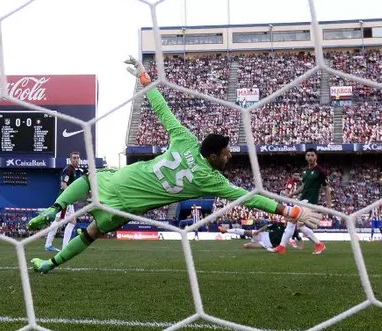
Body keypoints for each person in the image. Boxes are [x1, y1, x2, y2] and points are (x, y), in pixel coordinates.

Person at [27, 56, 320, 274]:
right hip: (130, 205)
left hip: (125, 178)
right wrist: (288, 210)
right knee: (90, 233)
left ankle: (54, 210)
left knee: (92, 178)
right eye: (227, 154)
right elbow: (250, 197)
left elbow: (161, 108)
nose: (230, 157)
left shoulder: (184, 138)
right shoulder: (210, 180)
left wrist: (144, 77)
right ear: (213, 156)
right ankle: (49, 265)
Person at [271, 149, 331, 255]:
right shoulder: (305, 171)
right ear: (305, 157)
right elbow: (303, 187)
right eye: (308, 155)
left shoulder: (321, 171)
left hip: (310, 201)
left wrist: (329, 206)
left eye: (312, 155)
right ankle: (319, 244)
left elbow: (326, 189)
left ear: (316, 157)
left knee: (292, 220)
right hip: (302, 200)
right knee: (300, 225)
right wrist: (292, 194)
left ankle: (282, 246)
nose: (310, 157)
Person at [44, 152, 86, 251]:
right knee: (58, 220)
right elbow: (63, 184)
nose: (76, 160)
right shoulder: (69, 169)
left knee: (72, 221)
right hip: (65, 199)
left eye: (78, 158)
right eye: (74, 158)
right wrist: (70, 198)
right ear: (70, 159)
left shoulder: (74, 170)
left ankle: (64, 246)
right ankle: (48, 244)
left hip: (68, 199)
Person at [219, 223, 298, 250]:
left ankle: (251, 242)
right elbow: (267, 227)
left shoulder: (291, 231)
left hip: (268, 244)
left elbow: (291, 240)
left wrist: (295, 244)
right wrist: (258, 231)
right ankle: (225, 231)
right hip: (263, 235)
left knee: (247, 246)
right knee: (247, 232)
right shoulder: (278, 224)